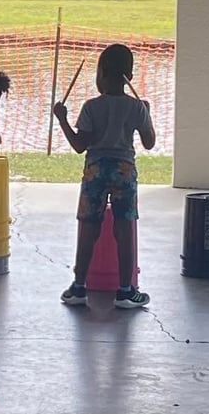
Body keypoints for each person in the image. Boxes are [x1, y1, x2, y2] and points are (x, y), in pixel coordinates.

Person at [53, 44, 156, 309]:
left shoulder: (91, 107)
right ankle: (126, 291)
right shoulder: (136, 107)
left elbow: (79, 145)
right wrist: (147, 113)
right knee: (125, 228)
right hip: (124, 170)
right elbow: (149, 143)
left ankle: (78, 287)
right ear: (129, 76)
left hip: (95, 170)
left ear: (101, 74)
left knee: (89, 227)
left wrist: (62, 119)